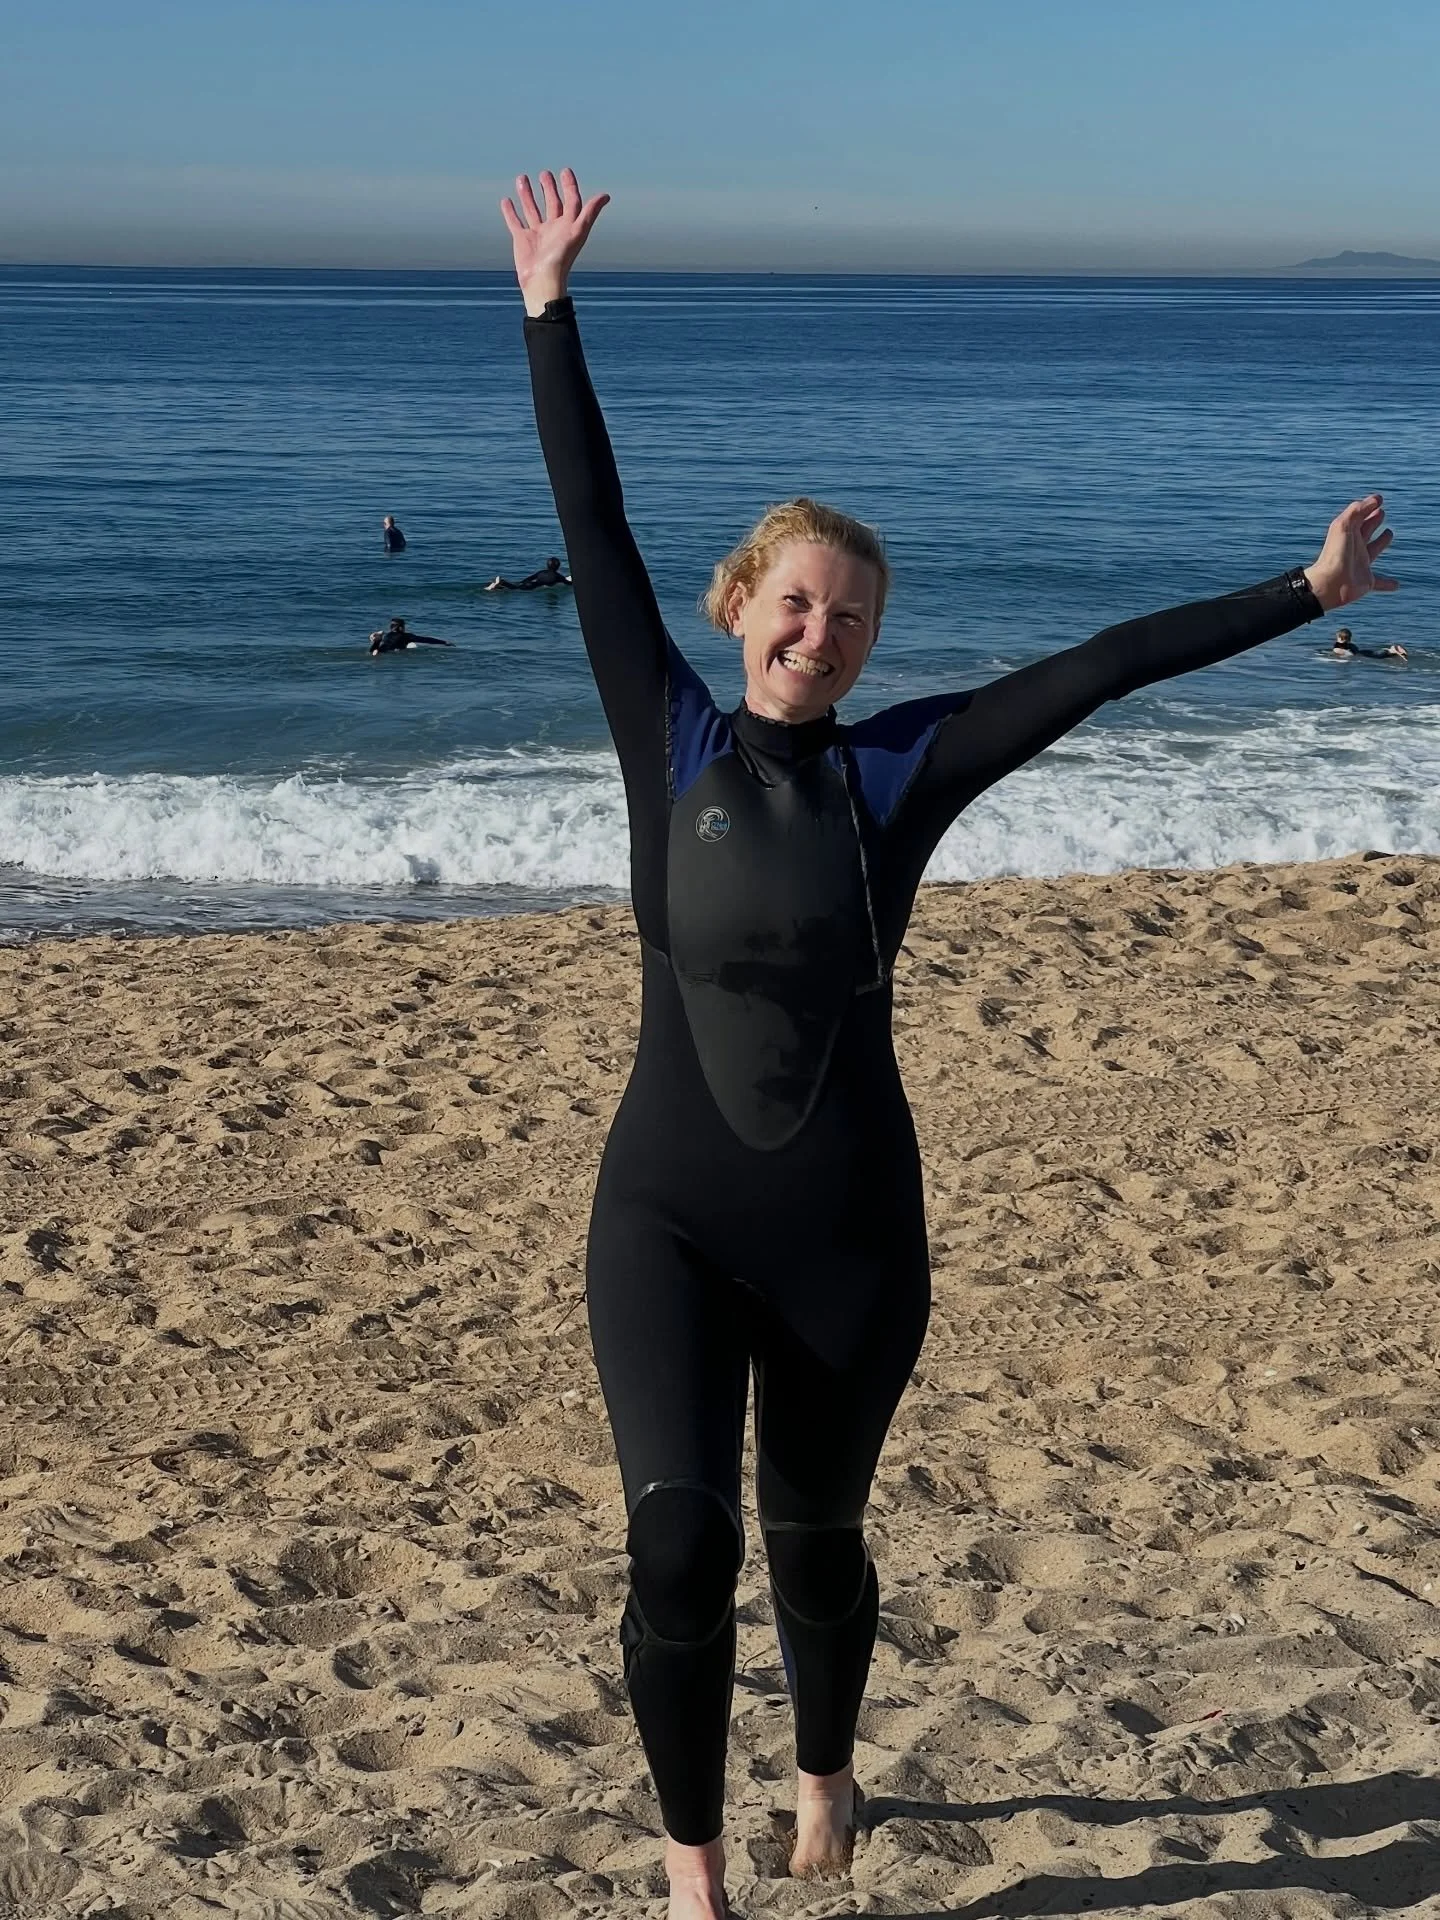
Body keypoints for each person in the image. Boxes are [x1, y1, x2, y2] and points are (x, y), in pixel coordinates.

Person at [501, 167, 1400, 1920]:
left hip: (850, 1232)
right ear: (739, 602)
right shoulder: (664, 737)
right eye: (795, 601)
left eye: (850, 618)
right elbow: (589, 523)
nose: (818, 632)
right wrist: (548, 306)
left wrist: (1303, 591)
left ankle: (827, 1771)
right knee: (680, 1547)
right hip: (667, 1220)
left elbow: (1100, 667)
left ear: (867, 648)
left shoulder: (900, 773)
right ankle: (696, 1875)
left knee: (819, 1541)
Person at [368, 617, 452, 656]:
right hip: (391, 652)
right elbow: (425, 639)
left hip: (379, 650)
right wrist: (443, 642)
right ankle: (377, 642)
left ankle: (377, 641)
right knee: (410, 646)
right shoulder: (406, 636)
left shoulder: (387, 635)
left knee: (379, 650)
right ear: (401, 627)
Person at [483, 555, 571, 590]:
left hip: (529, 583)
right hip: (533, 586)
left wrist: (522, 582)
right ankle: (502, 583)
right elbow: (568, 583)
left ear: (547, 565)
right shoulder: (558, 576)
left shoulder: (541, 572)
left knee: (516, 587)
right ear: (558, 566)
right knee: (515, 590)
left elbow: (530, 578)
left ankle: (499, 584)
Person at [1327, 625, 1406, 659]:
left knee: (1378, 656)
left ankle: (1392, 650)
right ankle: (1391, 650)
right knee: (1378, 653)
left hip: (1363, 654)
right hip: (1364, 652)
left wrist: (1344, 656)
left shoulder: (1337, 648)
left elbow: (1350, 654)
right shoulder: (1351, 644)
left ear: (1340, 638)